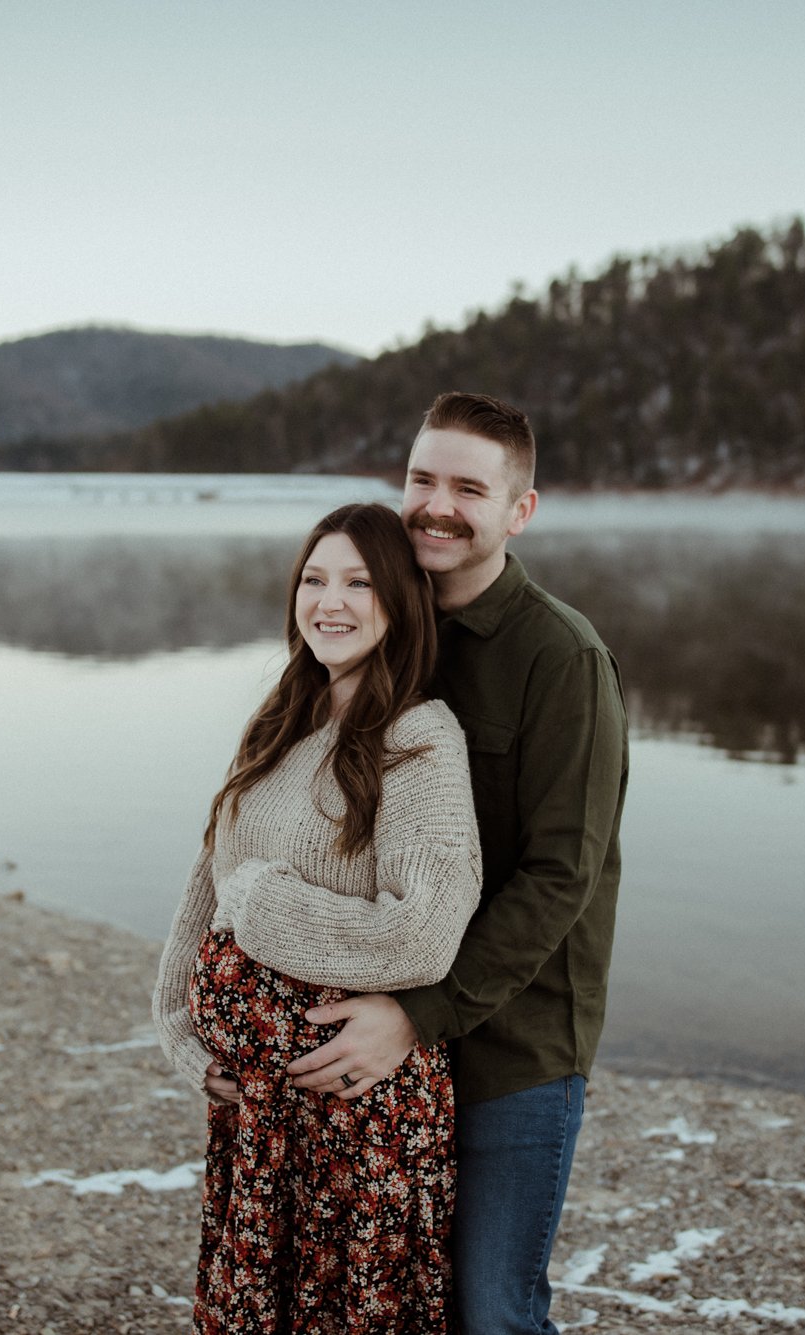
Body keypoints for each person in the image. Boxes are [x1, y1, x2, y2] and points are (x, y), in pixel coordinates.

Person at [285, 393, 630, 1335]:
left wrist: (419, 1014)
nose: (436, 505)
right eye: (421, 479)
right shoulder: (381, 630)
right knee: (394, 1302)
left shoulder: (562, 658)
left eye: (468, 488)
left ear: (519, 510)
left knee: (493, 1312)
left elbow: (563, 875)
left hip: (511, 1046)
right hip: (379, 1034)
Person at [152, 501, 482, 1334]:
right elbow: (209, 874)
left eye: (359, 582)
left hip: (356, 1116)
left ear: (401, 600)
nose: (328, 601)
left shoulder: (419, 737)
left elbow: (426, 932)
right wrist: (180, 1027)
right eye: (314, 579)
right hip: (262, 1115)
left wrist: (265, 906)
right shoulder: (282, 716)